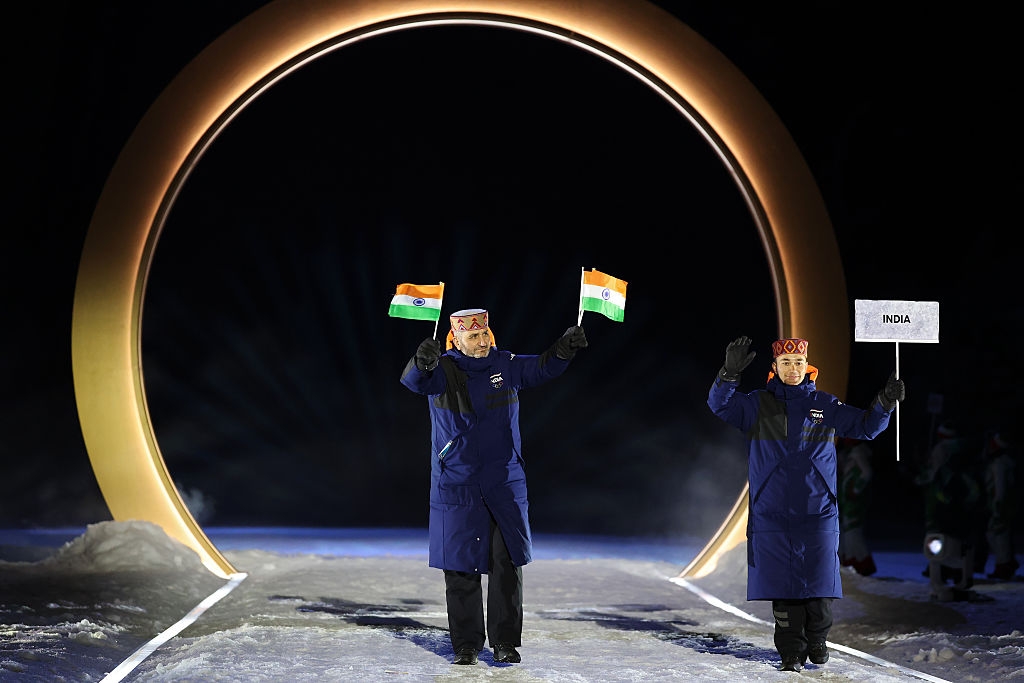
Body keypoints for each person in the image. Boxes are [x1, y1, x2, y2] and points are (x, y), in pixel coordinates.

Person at [400, 308, 588, 666]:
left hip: (504, 481)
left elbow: (541, 367)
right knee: (460, 568)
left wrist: (564, 348)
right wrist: (420, 362)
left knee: (507, 564)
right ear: (457, 339)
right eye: (474, 337)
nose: (483, 341)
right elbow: (415, 382)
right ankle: (466, 645)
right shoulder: (444, 368)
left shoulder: (506, 363)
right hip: (456, 483)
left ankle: (505, 642)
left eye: (486, 334)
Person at [707, 336, 904, 672]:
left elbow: (866, 427)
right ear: (775, 368)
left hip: (818, 512)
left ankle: (817, 637)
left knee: (819, 588)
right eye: (786, 363)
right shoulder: (756, 405)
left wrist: (885, 402)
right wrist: (727, 374)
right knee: (783, 592)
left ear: (808, 365)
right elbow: (720, 405)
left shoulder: (825, 404)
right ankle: (790, 653)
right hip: (772, 514)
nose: (793, 369)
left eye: (798, 362)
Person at [981, 428, 1020, 580]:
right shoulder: (1003, 462)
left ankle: (1004, 564)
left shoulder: (1000, 464)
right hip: (1001, 503)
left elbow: (1000, 486)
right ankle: (1005, 562)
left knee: (998, 535)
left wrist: (998, 504)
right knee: (997, 534)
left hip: (1000, 504)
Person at [836, 437, 877, 576]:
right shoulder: (850, 453)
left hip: (854, 501)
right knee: (846, 533)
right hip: (846, 499)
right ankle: (849, 562)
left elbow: (867, 472)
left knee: (853, 532)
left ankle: (863, 564)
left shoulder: (858, 453)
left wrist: (856, 489)